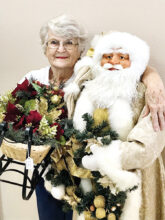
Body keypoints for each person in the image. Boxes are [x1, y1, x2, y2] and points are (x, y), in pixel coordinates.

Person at [20, 14, 165, 220]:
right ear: (45, 48)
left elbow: (129, 65)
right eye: (54, 42)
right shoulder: (33, 79)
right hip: (49, 175)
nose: (61, 49)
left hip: (88, 177)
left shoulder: (88, 77)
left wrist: (153, 78)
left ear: (80, 49)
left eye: (69, 43)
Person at [70, 31, 165, 220]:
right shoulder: (89, 89)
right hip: (93, 187)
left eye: (122, 57)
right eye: (108, 56)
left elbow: (147, 147)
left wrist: (103, 159)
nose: (113, 62)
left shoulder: (149, 95)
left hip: (136, 183)